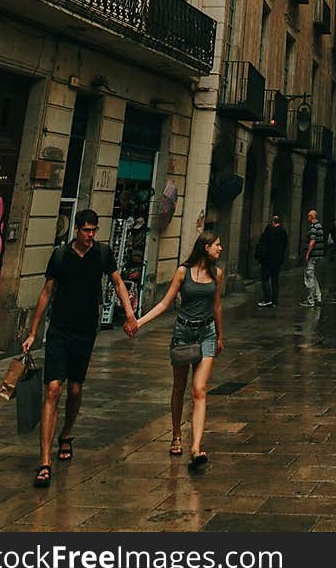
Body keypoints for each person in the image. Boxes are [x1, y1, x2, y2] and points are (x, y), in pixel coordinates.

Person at [22, 208, 138, 489]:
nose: (90, 236)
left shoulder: (101, 254)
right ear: (76, 229)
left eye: (94, 231)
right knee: (53, 388)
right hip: (59, 330)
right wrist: (33, 332)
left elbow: (118, 282)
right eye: (86, 231)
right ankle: (45, 462)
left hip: (85, 331)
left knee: (75, 388)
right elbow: (46, 293)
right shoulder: (61, 255)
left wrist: (130, 314)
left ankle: (67, 434)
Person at [136, 231, 224, 472]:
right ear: (205, 247)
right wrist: (139, 322)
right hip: (183, 333)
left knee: (199, 389)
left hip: (206, 333)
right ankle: (176, 434)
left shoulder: (217, 274)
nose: (220, 248)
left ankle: (196, 448)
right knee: (179, 386)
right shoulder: (183, 272)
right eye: (217, 244)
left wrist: (219, 336)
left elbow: (216, 305)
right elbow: (165, 303)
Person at [255, 215, 287, 307]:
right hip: (278, 261)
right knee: (275, 280)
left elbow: (265, 245)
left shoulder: (270, 232)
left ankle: (267, 299)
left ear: (273, 222)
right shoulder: (283, 232)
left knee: (265, 279)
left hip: (268, 261)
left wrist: (261, 257)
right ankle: (275, 301)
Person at [301, 209, 324, 307]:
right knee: (313, 276)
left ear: (312, 217)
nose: (307, 218)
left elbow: (312, 241)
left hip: (313, 255)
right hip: (317, 255)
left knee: (309, 276)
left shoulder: (314, 227)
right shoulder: (319, 226)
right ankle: (317, 296)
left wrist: (307, 254)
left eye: (308, 216)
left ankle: (310, 300)